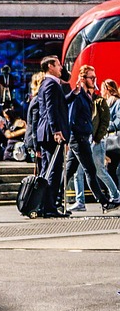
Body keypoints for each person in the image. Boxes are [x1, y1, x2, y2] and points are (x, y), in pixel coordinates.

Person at [64, 64, 118, 213]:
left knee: (70, 171)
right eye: (91, 77)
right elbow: (71, 119)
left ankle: (51, 197)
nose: (94, 80)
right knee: (90, 170)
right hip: (79, 139)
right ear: (82, 78)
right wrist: (71, 137)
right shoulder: (78, 96)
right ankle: (104, 202)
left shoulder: (88, 96)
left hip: (83, 138)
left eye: (94, 77)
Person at [33, 55, 72, 218]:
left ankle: (44, 205)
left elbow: (58, 105)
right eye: (58, 65)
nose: (61, 68)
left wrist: (74, 94)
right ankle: (49, 206)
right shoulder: (50, 84)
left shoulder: (49, 84)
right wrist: (56, 130)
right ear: (50, 66)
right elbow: (50, 109)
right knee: (53, 171)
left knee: (49, 169)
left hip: (48, 133)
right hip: (51, 134)